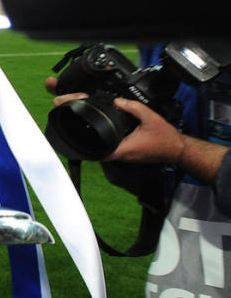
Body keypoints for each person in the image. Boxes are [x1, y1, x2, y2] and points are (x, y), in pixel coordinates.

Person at [48, 64, 231, 296]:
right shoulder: (174, 40)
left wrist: (181, 149)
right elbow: (155, 179)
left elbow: (177, 147)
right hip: (185, 267)